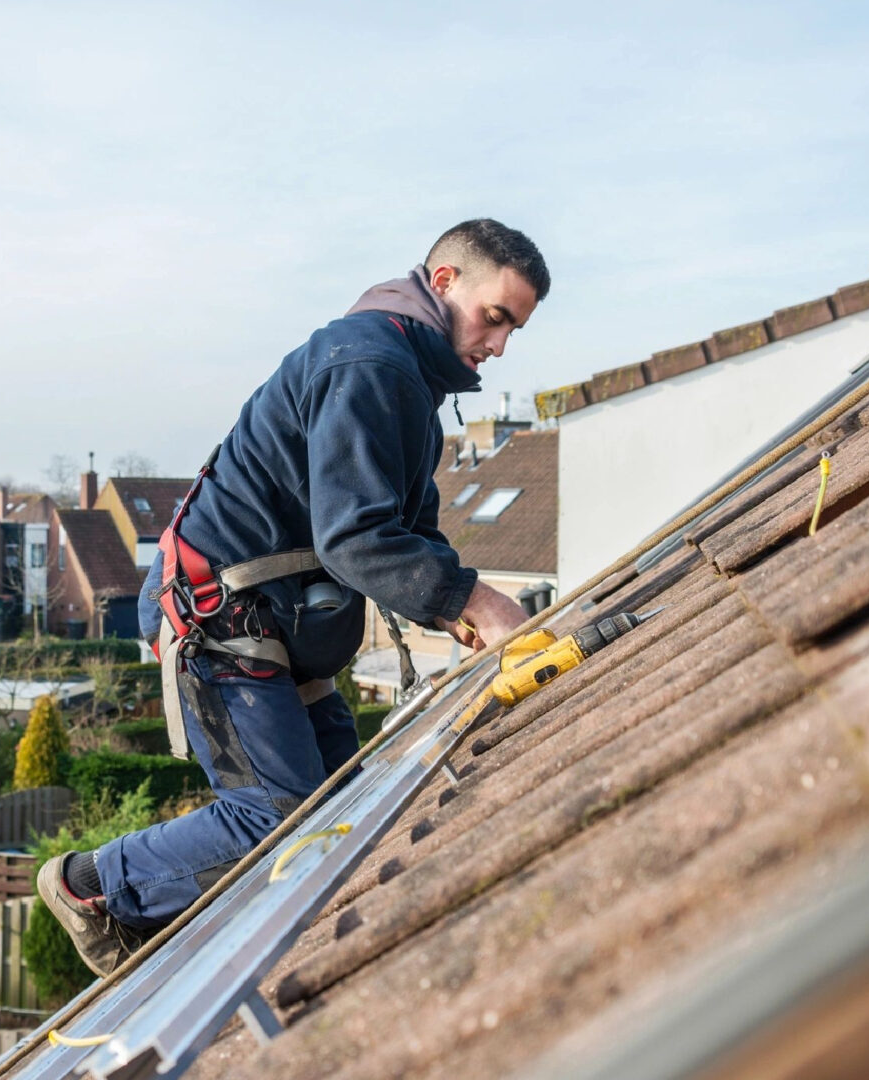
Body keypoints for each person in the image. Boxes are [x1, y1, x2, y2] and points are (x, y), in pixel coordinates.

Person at [38, 218, 550, 976]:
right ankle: (93, 888)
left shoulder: (405, 380)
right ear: (445, 283)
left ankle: (257, 945)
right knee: (284, 820)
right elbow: (355, 538)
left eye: (515, 328)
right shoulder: (371, 365)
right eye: (495, 317)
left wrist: (449, 601)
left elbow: (407, 529)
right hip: (221, 617)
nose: (500, 344)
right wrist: (473, 603)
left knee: (346, 813)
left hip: (280, 620)